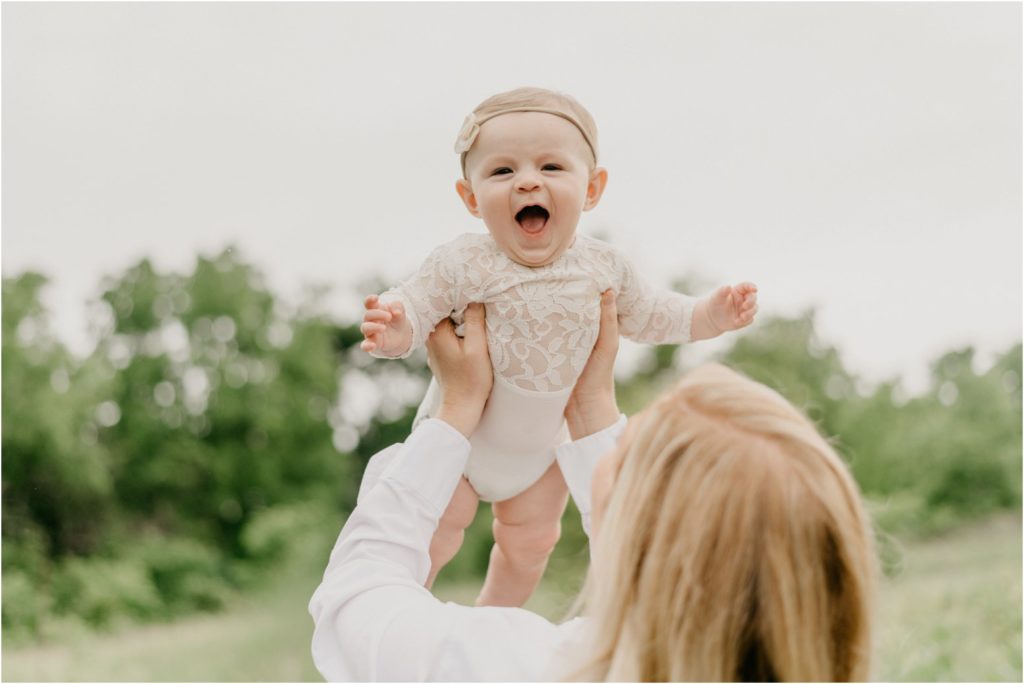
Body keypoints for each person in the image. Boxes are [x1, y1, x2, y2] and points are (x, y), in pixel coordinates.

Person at [309, 292, 877, 681]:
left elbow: (356, 603)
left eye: (628, 446)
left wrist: (453, 412)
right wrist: (590, 408)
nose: (612, 447)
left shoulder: (534, 666)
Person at [358, 86, 759, 606]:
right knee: (437, 531)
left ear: (592, 189)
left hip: (543, 449)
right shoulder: (463, 263)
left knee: (530, 545)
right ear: (471, 198)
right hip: (460, 440)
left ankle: (491, 621)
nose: (527, 180)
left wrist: (709, 314)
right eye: (502, 171)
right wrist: (394, 328)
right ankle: (406, 615)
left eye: (551, 167)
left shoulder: (603, 267)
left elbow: (655, 314)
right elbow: (416, 302)